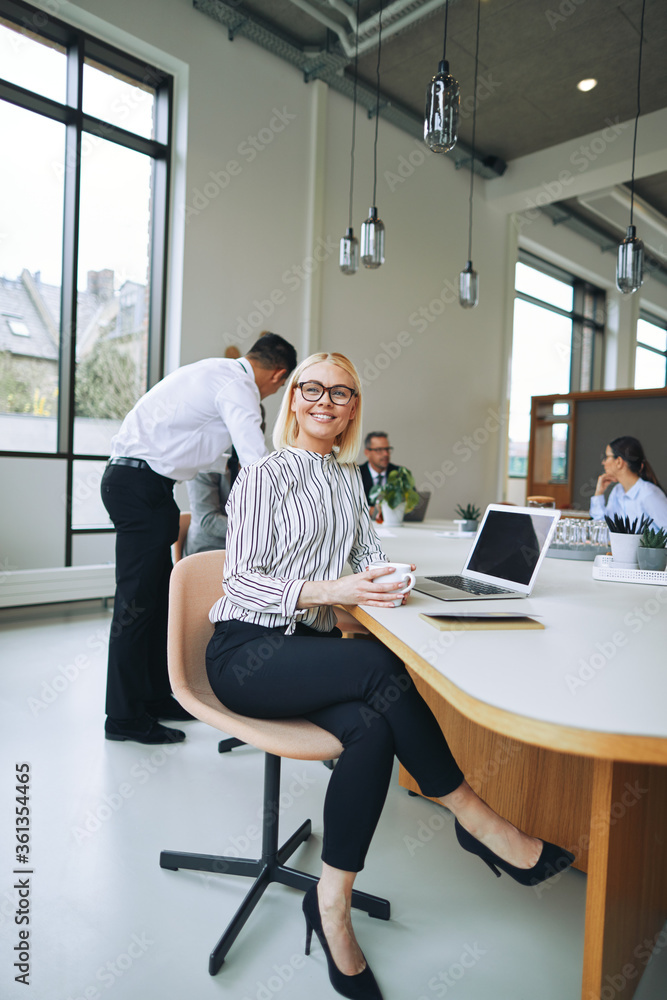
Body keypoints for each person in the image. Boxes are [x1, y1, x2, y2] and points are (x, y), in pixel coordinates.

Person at [205, 352, 575, 1000]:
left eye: (341, 392)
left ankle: (330, 906)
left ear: (352, 408)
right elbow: (238, 578)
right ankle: (479, 821)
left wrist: (388, 577)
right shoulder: (265, 475)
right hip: (247, 654)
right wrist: (332, 586)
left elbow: (366, 557)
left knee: (372, 729)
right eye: (313, 388)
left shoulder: (349, 482)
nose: (326, 400)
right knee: (379, 665)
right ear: (292, 399)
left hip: (310, 654)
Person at [101, 332, 297, 745]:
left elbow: (212, 451)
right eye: (281, 387)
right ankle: (122, 717)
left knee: (155, 603)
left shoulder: (215, 374)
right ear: (278, 375)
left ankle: (154, 697)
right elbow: (254, 457)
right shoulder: (237, 384)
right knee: (135, 606)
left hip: (149, 487)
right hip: (138, 485)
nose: (274, 392)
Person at [590, 436, 667, 531]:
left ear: (619, 462)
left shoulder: (648, 494)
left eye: (606, 457)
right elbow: (603, 529)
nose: (603, 462)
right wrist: (599, 494)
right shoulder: (617, 491)